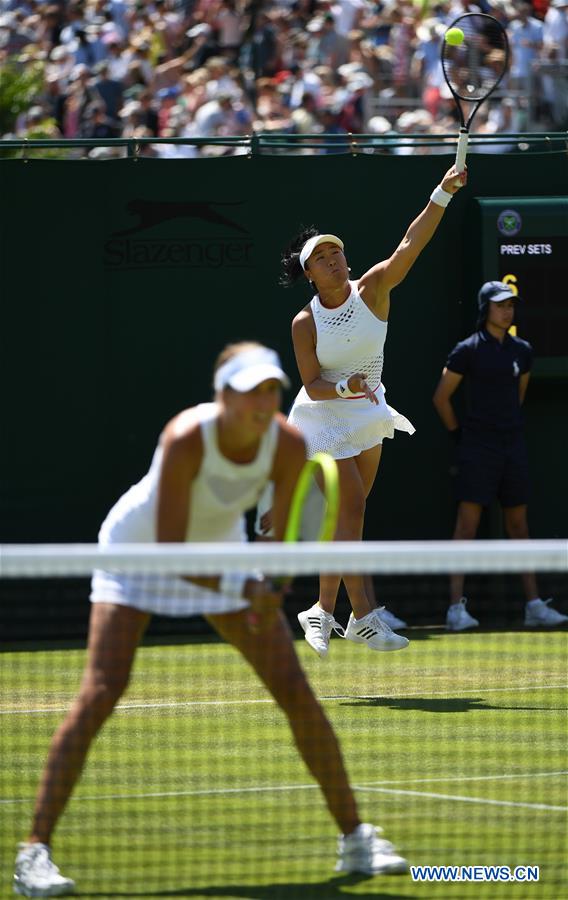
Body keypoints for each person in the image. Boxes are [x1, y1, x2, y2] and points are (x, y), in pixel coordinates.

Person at [13, 342, 408, 898]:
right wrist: (245, 586)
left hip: (221, 549)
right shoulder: (185, 438)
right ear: (222, 395)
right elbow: (173, 550)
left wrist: (270, 581)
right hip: (141, 551)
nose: (263, 401)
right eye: (250, 391)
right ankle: (34, 853)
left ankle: (356, 839)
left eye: (271, 390)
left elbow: (282, 526)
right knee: (103, 689)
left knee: (294, 690)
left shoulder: (288, 443)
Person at [259, 164, 467, 660]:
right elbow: (312, 383)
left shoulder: (374, 288)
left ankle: (324, 612)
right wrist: (347, 384)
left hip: (367, 412)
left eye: (337, 252)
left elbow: (410, 245)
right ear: (308, 273)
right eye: (322, 258)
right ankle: (365, 616)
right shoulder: (304, 322)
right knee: (347, 507)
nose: (334, 260)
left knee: (348, 518)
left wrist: (443, 191)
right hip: (319, 417)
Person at [432, 282, 568, 631]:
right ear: (485, 309)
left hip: (512, 446)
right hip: (477, 448)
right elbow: (441, 398)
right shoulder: (467, 351)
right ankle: (454, 609)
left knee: (519, 525)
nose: (507, 311)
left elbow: (518, 394)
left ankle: (533, 605)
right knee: (467, 526)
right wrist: (461, 437)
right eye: (500, 305)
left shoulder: (522, 351)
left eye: (511, 305)